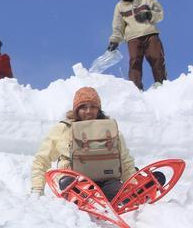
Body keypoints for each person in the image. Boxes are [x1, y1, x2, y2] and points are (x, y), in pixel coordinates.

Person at [29, 86, 164, 200]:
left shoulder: (109, 130)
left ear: (98, 109)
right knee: (78, 187)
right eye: (83, 107)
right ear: (76, 109)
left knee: (117, 194)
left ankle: (137, 193)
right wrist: (37, 188)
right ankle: (82, 196)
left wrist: (133, 183)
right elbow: (42, 159)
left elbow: (124, 162)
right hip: (75, 181)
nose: (88, 111)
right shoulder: (64, 128)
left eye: (93, 107)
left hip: (107, 180)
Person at [107, 0, 166, 90]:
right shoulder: (120, 6)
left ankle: (161, 83)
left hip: (150, 33)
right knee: (135, 61)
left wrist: (149, 15)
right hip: (132, 38)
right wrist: (115, 40)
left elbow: (160, 13)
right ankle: (136, 88)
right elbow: (118, 25)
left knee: (156, 57)